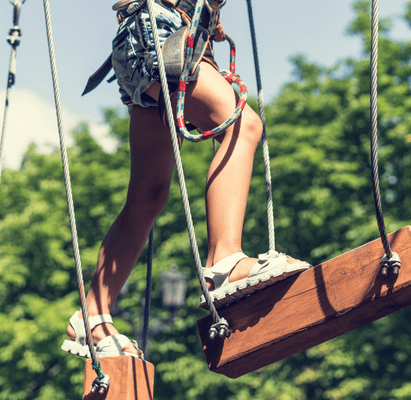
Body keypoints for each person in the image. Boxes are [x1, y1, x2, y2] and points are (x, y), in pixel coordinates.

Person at [62, 0, 311, 359]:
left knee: (148, 196)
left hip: (151, 40)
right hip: (158, 33)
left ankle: (92, 315)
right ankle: (225, 262)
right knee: (242, 127)